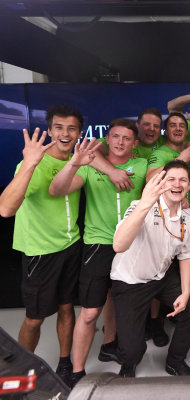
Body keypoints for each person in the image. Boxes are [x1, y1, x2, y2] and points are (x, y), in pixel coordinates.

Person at [49, 118, 147, 386]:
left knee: (119, 301)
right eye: (115, 137)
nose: (120, 142)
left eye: (127, 138)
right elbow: (56, 189)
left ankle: (109, 345)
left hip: (130, 244)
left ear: (135, 144)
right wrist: (76, 163)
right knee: (91, 312)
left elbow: (156, 179)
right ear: (107, 139)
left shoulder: (140, 164)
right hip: (98, 244)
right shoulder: (89, 168)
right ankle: (78, 371)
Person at [0, 105, 85, 385]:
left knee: (65, 308)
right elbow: (5, 209)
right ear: (49, 131)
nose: (65, 133)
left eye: (71, 128)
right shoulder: (34, 163)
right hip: (40, 252)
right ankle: (21, 371)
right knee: (35, 319)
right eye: (59, 127)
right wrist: (29, 164)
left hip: (70, 246)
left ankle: (64, 363)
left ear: (79, 133)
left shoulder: (76, 160)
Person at [110, 160, 190, 378]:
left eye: (182, 180)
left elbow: (186, 254)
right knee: (131, 351)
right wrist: (144, 203)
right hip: (130, 281)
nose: (176, 184)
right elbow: (118, 245)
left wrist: (186, 292)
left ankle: (175, 361)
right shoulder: (141, 206)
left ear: (189, 185)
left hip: (161, 276)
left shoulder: (188, 216)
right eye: (171, 179)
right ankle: (130, 359)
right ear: (161, 182)